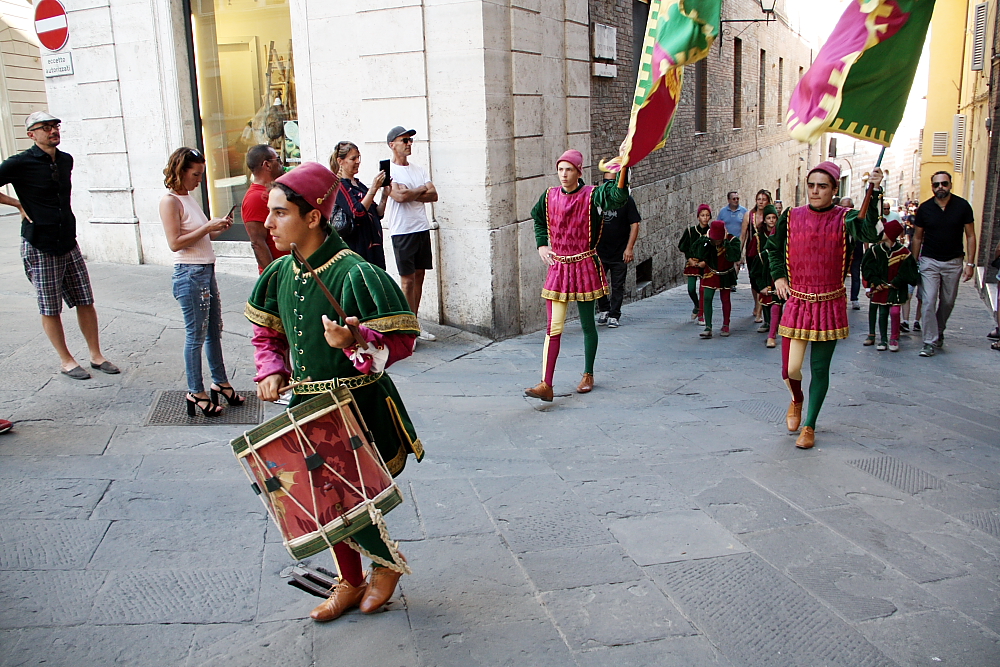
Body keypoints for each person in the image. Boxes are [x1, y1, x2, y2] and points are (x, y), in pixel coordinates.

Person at [246, 162, 423, 622]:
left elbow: (402, 340)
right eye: (270, 212)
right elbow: (266, 335)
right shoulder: (279, 272)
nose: (268, 224)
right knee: (322, 499)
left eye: (280, 213)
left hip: (356, 404)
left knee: (350, 495)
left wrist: (356, 341)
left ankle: (385, 566)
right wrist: (270, 369)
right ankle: (350, 579)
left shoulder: (355, 274)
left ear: (313, 217)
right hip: (306, 406)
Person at [767, 161, 883, 449]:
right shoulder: (791, 216)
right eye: (811, 185)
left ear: (834, 189)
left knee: (819, 370)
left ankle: (810, 425)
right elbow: (773, 248)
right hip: (797, 301)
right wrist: (779, 276)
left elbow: (871, 233)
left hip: (829, 303)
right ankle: (796, 400)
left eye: (822, 186)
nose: (815, 191)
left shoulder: (846, 218)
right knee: (790, 369)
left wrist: (875, 190)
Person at [0, 111, 118, 380]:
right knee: (50, 307)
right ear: (32, 134)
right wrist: (17, 203)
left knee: (85, 300)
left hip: (68, 240)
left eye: (55, 125)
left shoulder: (65, 160)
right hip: (40, 243)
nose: (53, 130)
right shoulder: (19, 163)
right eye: (45, 127)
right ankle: (66, 360)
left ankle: (96, 355)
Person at [523, 150, 629, 402]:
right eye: (560, 169)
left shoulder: (593, 194)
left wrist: (623, 169)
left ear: (579, 171)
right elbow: (538, 218)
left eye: (568, 169)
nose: (563, 174)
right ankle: (546, 384)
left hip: (584, 265)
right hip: (559, 267)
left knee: (587, 325)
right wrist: (542, 244)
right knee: (553, 328)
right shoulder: (549, 195)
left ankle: (588, 374)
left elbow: (617, 197)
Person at [159, 148, 244, 417]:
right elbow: (175, 244)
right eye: (195, 175)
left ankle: (220, 381)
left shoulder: (188, 198)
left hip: (205, 269)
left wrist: (216, 229)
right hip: (190, 273)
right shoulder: (170, 201)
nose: (199, 180)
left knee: (213, 331)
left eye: (201, 174)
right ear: (180, 171)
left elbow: (198, 238)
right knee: (195, 335)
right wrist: (207, 227)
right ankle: (195, 391)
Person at [911, 171, 976, 357]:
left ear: (950, 185)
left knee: (947, 302)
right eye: (936, 184)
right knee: (929, 301)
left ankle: (938, 331)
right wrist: (914, 262)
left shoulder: (962, 206)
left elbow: (970, 235)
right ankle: (929, 341)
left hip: (953, 261)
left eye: (944, 183)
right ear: (932, 187)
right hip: (929, 260)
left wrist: (970, 263)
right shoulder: (924, 208)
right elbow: (917, 237)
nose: (940, 187)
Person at [384, 126, 438, 341]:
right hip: (402, 231)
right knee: (407, 281)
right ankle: (406, 330)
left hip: (421, 227)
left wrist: (410, 191)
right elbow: (398, 196)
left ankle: (414, 324)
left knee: (420, 276)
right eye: (404, 140)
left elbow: (433, 194)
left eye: (410, 141)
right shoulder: (388, 171)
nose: (408, 144)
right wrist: (418, 191)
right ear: (392, 145)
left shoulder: (418, 169)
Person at [861, 219, 919, 352]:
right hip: (879, 288)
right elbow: (867, 268)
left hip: (896, 289)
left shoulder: (903, 252)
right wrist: (875, 282)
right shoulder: (875, 250)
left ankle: (894, 337)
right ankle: (883, 339)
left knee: (895, 311)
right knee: (882, 312)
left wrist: (896, 282)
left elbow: (908, 272)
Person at [330, 141, 388, 269]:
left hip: (374, 245)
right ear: (340, 161)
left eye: (358, 157)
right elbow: (358, 213)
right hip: (358, 247)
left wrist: (384, 195)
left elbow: (377, 213)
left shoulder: (359, 185)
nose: (357, 161)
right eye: (353, 158)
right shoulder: (339, 185)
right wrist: (373, 188)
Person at [595, 170, 641, 328]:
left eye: (612, 182)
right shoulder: (598, 198)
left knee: (617, 285)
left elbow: (635, 224)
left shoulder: (626, 200)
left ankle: (614, 314)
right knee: (598, 283)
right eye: (606, 182)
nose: (609, 186)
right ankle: (604, 309)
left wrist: (629, 248)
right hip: (600, 251)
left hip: (620, 251)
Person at [242, 144, 288, 273]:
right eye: (278, 160)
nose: (282, 164)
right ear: (267, 165)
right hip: (280, 272)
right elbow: (257, 243)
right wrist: (273, 276)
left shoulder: (274, 190)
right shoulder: (254, 198)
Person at [694, 220, 740, 339]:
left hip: (726, 274)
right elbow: (697, 252)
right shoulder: (708, 241)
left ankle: (726, 324)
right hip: (711, 272)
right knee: (707, 297)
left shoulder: (733, 241)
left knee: (725, 299)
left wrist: (725, 243)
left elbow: (735, 256)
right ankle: (708, 327)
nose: (716, 242)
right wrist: (704, 240)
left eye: (718, 239)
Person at [750, 204, 782, 347]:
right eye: (768, 218)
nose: (771, 220)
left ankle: (773, 332)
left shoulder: (782, 234)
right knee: (766, 300)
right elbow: (753, 255)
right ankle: (768, 322)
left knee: (777, 301)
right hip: (764, 267)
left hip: (779, 271)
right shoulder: (759, 237)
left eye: (773, 218)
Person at [743, 189, 773, 323]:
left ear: (768, 201)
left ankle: (761, 309)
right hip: (752, 252)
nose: (761, 202)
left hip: (767, 251)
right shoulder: (749, 215)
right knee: (754, 279)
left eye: (764, 199)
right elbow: (743, 234)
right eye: (759, 199)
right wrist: (739, 254)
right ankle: (757, 303)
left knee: (765, 278)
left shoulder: (771, 216)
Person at [678, 204, 712, 322]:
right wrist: (689, 259)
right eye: (702, 215)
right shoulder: (691, 231)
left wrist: (705, 261)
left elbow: (713, 250)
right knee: (691, 288)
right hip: (692, 262)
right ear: (698, 217)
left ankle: (702, 315)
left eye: (707, 215)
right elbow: (684, 246)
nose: (705, 218)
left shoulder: (711, 232)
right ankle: (697, 305)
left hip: (706, 264)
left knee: (703, 289)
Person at [839, 197, 864, 311]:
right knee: (840, 277)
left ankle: (855, 299)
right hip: (840, 254)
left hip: (856, 252)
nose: (846, 209)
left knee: (855, 275)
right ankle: (840, 297)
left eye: (848, 207)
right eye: (843, 206)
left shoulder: (857, 220)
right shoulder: (836, 220)